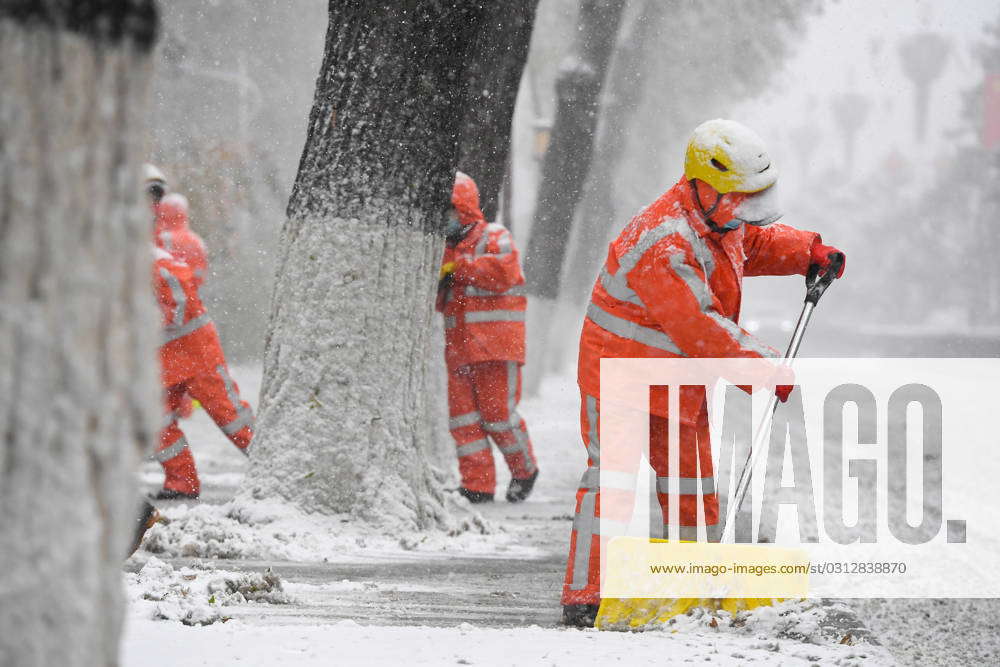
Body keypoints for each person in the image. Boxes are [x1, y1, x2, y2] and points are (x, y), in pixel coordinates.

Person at [560, 119, 846, 627]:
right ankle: (588, 596)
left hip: (676, 382)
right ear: (704, 185)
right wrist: (764, 369)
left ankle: (694, 583)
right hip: (619, 378)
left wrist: (807, 251)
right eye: (738, 198)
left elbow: (753, 244)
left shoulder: (720, 222)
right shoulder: (663, 242)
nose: (744, 211)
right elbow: (702, 329)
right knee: (614, 485)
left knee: (692, 486)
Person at [437, 172, 540, 504]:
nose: (446, 219)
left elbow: (501, 274)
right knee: (464, 421)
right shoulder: (444, 251)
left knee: (499, 417)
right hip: (459, 349)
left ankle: (524, 470)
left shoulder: (495, 236)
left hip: (497, 347)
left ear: (463, 208)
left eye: (450, 211)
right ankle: (477, 485)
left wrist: (457, 266)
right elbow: (443, 302)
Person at [152, 246, 254, 499]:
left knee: (230, 416)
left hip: (198, 353)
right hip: (164, 360)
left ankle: (272, 466)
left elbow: (180, 299)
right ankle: (181, 482)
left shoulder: (152, 263)